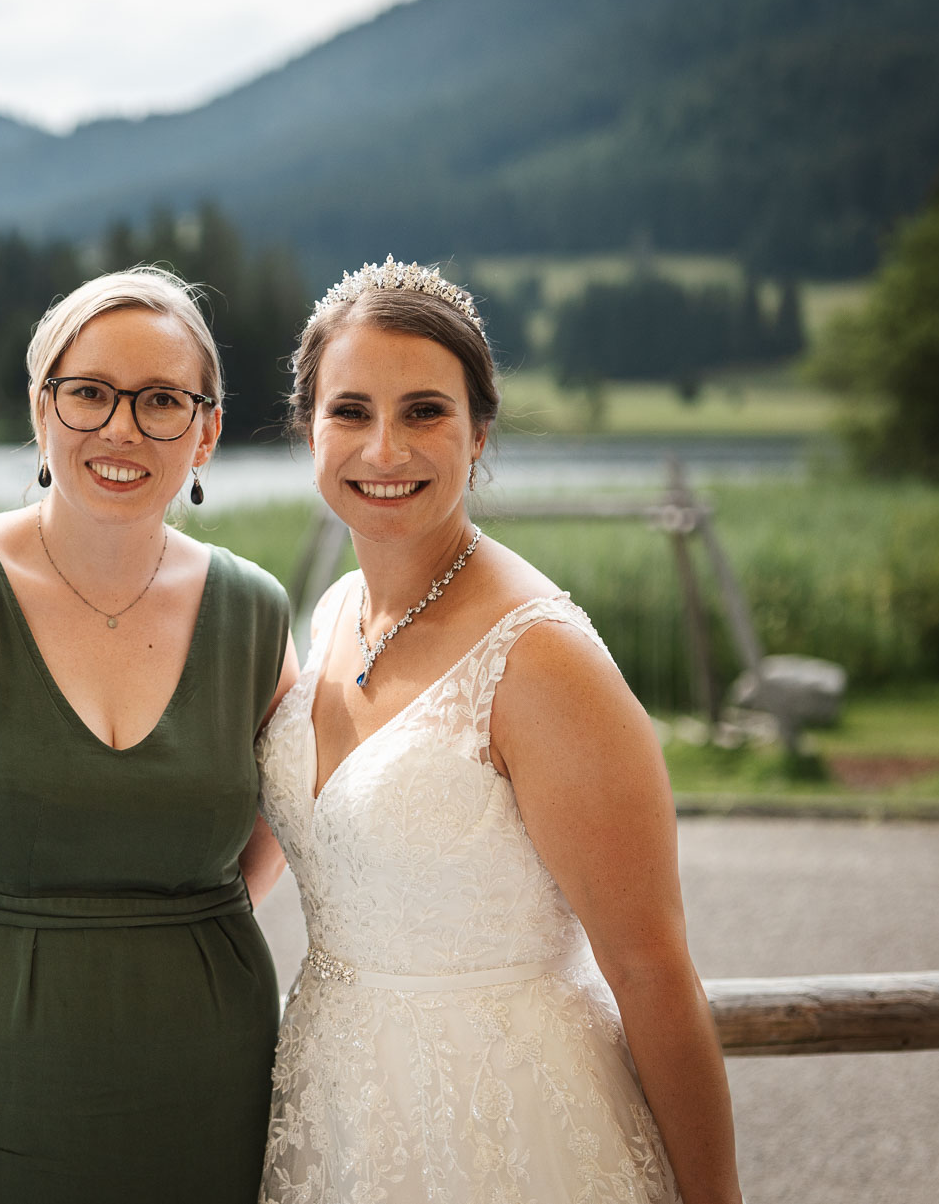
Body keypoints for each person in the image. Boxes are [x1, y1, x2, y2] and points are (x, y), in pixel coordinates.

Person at [257, 259, 742, 1204]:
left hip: (507, 1128)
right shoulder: (336, 609)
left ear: (478, 432)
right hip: (339, 1111)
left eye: (424, 412)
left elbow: (650, 969)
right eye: (350, 411)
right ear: (308, 426)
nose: (384, 448)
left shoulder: (543, 658)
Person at [0, 266, 297, 1202]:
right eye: (89, 392)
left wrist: (179, 941)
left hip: (206, 1064)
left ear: (207, 431)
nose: (121, 428)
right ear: (41, 408)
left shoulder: (255, 612)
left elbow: (275, 831)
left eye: (161, 400)